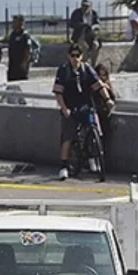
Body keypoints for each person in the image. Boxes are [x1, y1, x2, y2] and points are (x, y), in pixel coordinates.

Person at [53, 44, 109, 181]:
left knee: (95, 129)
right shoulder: (64, 70)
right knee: (68, 136)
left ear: (82, 56)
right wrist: (64, 108)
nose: (75, 59)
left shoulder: (87, 69)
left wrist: (107, 99)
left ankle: (93, 157)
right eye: (72, 55)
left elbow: (98, 86)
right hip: (71, 107)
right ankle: (63, 166)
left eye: (78, 56)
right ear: (68, 56)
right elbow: (58, 92)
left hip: (86, 105)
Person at [6, 15, 38, 82]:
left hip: (21, 65)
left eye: (15, 22)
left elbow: (28, 50)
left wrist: (24, 63)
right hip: (12, 65)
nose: (13, 23)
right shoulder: (12, 35)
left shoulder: (25, 35)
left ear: (21, 23)